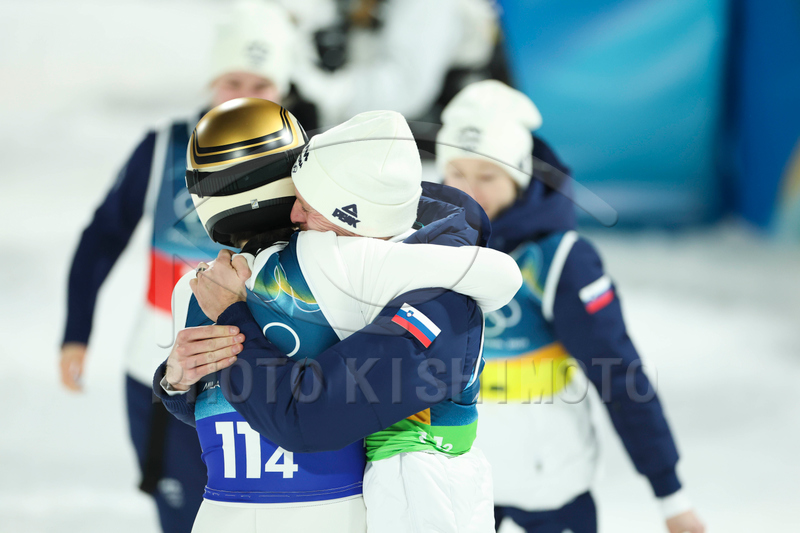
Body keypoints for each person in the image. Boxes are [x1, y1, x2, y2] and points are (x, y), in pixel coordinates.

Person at [154, 99, 520, 532]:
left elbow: (305, 418)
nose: (293, 216)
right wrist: (178, 381)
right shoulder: (332, 271)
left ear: (357, 220)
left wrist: (234, 317)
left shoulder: (437, 305)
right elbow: (241, 402)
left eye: (309, 207)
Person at [58, 3, 307, 531]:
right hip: (162, 371)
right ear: (211, 82)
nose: (242, 96)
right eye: (231, 81)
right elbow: (102, 237)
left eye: (260, 84)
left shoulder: (304, 158)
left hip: (265, 370)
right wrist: (77, 331)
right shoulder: (165, 148)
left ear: (282, 88)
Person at [436, 80, 706, 533]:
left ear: (520, 177)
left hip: (548, 494)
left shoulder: (559, 260)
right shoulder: (426, 249)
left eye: (488, 176)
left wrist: (671, 495)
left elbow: (618, 372)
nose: (470, 191)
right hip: (457, 489)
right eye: (457, 173)